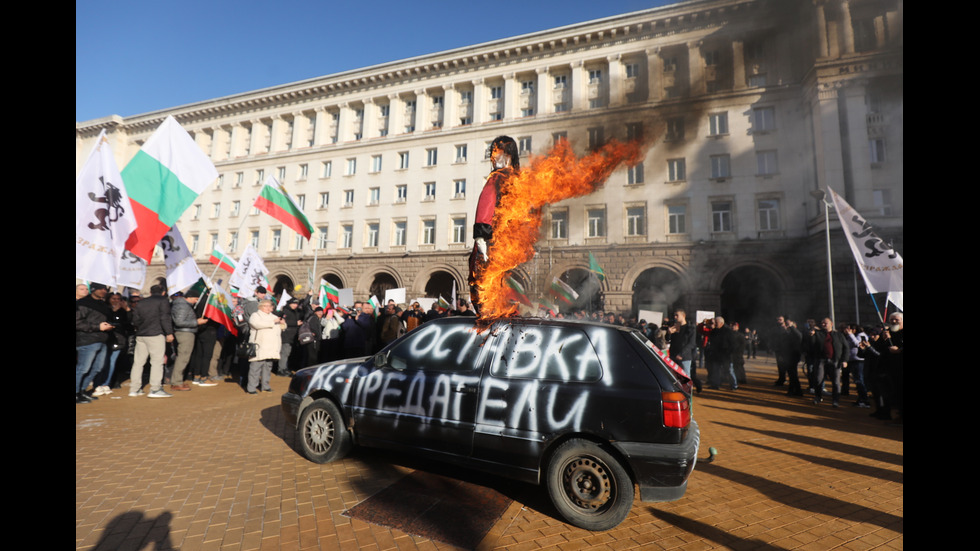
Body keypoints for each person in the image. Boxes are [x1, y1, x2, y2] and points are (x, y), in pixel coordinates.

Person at [469, 136, 519, 314]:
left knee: (487, 284)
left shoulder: (497, 178)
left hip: (496, 242)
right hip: (499, 242)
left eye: (500, 154)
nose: (495, 158)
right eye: (494, 154)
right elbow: (487, 204)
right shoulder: (512, 178)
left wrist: (481, 236)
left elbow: (486, 204)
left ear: (509, 156)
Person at [129, 284, 175, 398]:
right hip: (155, 334)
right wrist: (169, 332)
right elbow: (165, 317)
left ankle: (134, 389)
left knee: (138, 362)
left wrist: (140, 328)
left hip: (141, 335)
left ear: (150, 292)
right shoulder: (163, 301)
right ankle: (155, 389)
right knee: (156, 362)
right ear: (163, 292)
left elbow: (135, 319)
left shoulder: (141, 302)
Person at [76, 282, 113, 403]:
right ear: (94, 290)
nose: (104, 291)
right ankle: (76, 393)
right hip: (87, 340)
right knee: (83, 368)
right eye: (101, 289)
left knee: (97, 368)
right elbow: (78, 322)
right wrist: (98, 327)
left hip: (101, 339)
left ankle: (81, 391)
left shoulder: (102, 304)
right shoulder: (82, 304)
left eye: (105, 289)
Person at [170, 290, 205, 391]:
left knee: (183, 357)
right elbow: (179, 322)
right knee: (183, 358)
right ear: (189, 297)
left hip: (185, 333)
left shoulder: (182, 305)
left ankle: (178, 380)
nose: (196, 301)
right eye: (195, 299)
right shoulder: (183, 306)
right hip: (185, 333)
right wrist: (196, 322)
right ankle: (176, 383)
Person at [809, 317, 848, 407]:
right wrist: (812, 336)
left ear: (831, 324)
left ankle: (835, 400)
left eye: (825, 323)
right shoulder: (818, 334)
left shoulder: (838, 335)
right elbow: (812, 345)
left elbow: (846, 348)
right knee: (818, 379)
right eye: (822, 323)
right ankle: (818, 397)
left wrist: (845, 360)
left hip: (835, 360)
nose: (823, 324)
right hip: (821, 360)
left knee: (836, 381)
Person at [247, 299, 283, 394]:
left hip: (271, 346)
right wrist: (272, 322)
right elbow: (256, 324)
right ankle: (251, 388)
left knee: (268, 367)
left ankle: (265, 386)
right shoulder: (256, 315)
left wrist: (283, 324)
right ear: (261, 307)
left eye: (270, 306)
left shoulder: (274, 317)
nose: (268, 308)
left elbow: (280, 328)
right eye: (266, 306)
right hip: (260, 345)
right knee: (255, 368)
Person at [706, 316, 738, 391]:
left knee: (729, 370)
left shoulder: (728, 331)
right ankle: (715, 384)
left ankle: (734, 385)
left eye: (716, 323)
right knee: (715, 370)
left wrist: (729, 353)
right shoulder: (714, 331)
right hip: (716, 354)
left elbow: (733, 344)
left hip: (726, 355)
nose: (715, 324)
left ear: (721, 323)